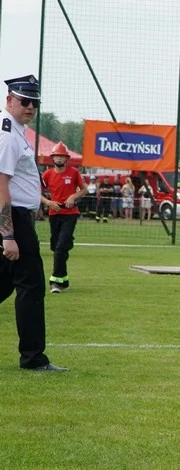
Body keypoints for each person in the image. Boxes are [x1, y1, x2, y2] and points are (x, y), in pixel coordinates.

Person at [0, 75, 67, 371]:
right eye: (24, 101)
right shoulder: (7, 134)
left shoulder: (18, 131)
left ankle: (33, 356)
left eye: (35, 102)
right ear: (9, 100)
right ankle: (33, 358)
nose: (30, 107)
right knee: (32, 286)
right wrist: (9, 234)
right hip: (13, 219)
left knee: (4, 284)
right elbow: (1, 184)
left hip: (19, 218)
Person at [40, 143, 85, 293]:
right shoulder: (47, 175)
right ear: (52, 158)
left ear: (66, 158)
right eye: (57, 156)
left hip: (70, 214)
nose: (59, 158)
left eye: (62, 156)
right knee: (57, 248)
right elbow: (35, 191)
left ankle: (55, 281)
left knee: (59, 249)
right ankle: (64, 280)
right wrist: (48, 202)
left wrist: (73, 196)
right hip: (54, 214)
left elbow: (84, 189)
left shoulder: (74, 172)